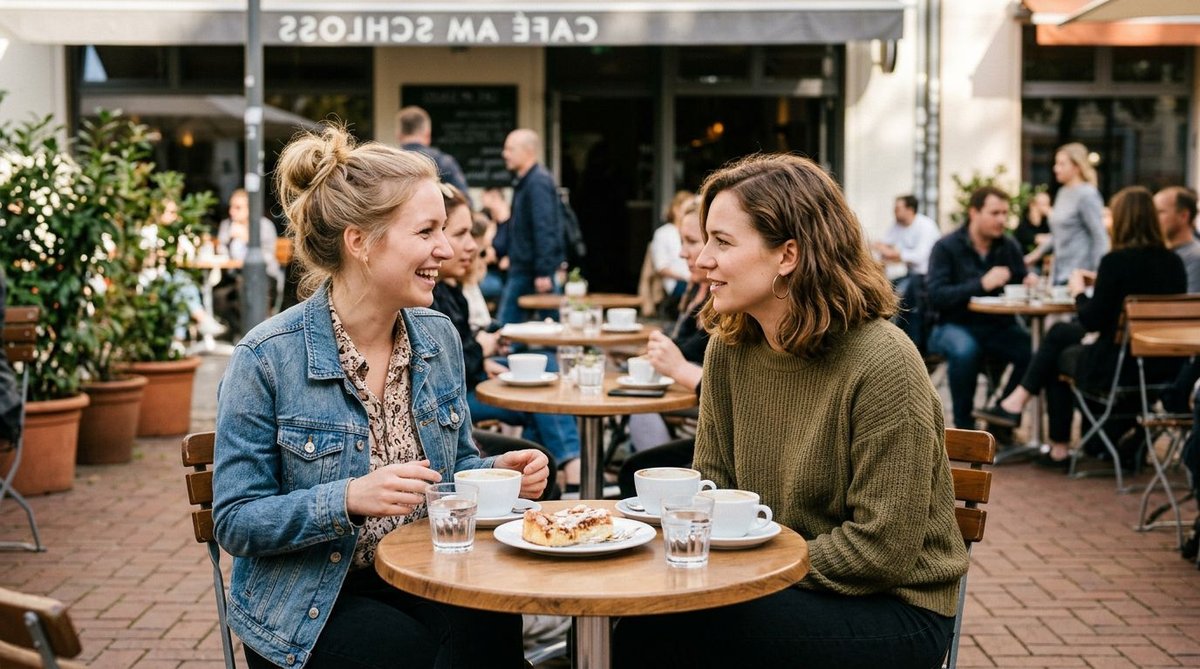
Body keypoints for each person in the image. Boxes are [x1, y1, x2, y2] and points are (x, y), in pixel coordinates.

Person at [612, 154, 968, 668]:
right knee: (649, 619)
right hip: (771, 582)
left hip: (892, 608)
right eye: (704, 239)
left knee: (671, 636)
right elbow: (709, 486)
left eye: (723, 242)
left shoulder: (883, 361)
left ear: (788, 255)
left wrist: (752, 565)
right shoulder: (730, 348)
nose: (701, 259)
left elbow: (880, 550)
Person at [211, 126, 547, 669]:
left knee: (494, 619)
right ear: (359, 242)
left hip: (423, 572)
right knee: (408, 653)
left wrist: (491, 473)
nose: (447, 248)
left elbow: (450, 468)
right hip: (308, 604)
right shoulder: (267, 357)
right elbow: (236, 521)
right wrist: (346, 498)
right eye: (426, 231)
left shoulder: (436, 337)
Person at [976, 186, 1186, 468]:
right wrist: (1099, 284)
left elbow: (1091, 321)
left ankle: (1055, 444)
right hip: (1161, 369)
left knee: (1056, 357)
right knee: (1060, 335)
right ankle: (1017, 405)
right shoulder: (1174, 263)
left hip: (1116, 369)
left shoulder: (1116, 261)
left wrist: (1078, 292)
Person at [429, 183, 581, 486]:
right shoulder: (429, 298)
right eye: (461, 235)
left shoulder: (449, 292)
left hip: (468, 392)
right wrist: (480, 352)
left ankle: (559, 477)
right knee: (543, 394)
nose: (473, 247)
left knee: (546, 375)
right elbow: (452, 367)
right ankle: (570, 472)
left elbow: (461, 354)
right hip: (462, 401)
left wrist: (481, 353)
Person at [618, 196, 709, 497]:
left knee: (634, 465)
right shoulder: (694, 292)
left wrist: (678, 367)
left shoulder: (729, 306)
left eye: (691, 242)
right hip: (687, 411)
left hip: (695, 418)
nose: (682, 253)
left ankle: (659, 491)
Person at [926, 186, 1037, 431]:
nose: (1002, 220)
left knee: (1032, 350)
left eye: (1005, 214)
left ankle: (1002, 413)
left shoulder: (1008, 246)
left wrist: (1029, 281)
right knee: (966, 351)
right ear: (974, 212)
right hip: (952, 324)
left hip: (997, 325)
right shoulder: (946, 247)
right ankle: (964, 428)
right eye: (995, 213)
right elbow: (936, 296)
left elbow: (1021, 277)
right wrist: (981, 284)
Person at [496, 129, 564, 326]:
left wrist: (544, 271)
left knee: (510, 328)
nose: (504, 154)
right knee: (547, 324)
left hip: (531, 269)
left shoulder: (537, 182)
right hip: (525, 266)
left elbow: (545, 227)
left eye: (510, 149)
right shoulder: (527, 181)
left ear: (528, 151)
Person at [872, 194, 941, 350]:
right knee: (881, 290)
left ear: (910, 210)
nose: (894, 212)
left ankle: (910, 344)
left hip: (927, 276)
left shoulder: (925, 226)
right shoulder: (898, 225)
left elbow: (920, 257)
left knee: (900, 296)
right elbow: (883, 244)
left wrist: (895, 254)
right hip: (912, 275)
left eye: (897, 208)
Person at [212, 188, 282, 334]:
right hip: (233, 275)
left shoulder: (263, 226)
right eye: (231, 207)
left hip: (264, 277)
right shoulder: (227, 225)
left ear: (250, 209)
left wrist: (248, 239)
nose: (232, 212)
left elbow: (269, 258)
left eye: (238, 208)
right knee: (218, 295)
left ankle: (255, 333)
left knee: (243, 289)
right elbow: (222, 252)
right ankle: (238, 333)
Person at [1045, 142, 1107, 285]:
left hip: (1080, 275)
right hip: (1059, 274)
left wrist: (1098, 275)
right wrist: (1031, 257)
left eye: (1061, 164)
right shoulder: (1062, 192)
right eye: (1056, 163)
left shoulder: (1087, 194)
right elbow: (1058, 234)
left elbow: (1099, 235)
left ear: (1077, 167)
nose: (1056, 169)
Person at [395, 105, 470, 199]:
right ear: (428, 134)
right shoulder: (444, 162)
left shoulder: (388, 163)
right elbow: (465, 200)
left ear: (398, 135)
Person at [649, 190, 694, 308]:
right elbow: (661, 267)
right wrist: (686, 276)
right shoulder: (663, 233)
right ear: (675, 209)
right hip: (678, 284)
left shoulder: (694, 231)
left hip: (695, 280)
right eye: (687, 208)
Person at [1155, 186, 1200, 292]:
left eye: (1160, 212)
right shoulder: (1158, 254)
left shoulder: (1195, 257)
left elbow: (1188, 304)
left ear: (1184, 216)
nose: (1154, 218)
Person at [1017, 190, 1053, 262]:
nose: (1047, 208)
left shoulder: (1047, 222)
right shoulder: (1023, 225)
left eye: (1048, 204)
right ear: (1032, 205)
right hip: (1026, 264)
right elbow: (1042, 239)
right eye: (1043, 204)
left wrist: (1051, 215)